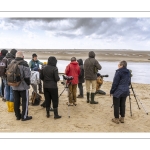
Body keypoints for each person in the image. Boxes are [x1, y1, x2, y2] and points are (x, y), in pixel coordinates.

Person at [12, 51, 32, 121]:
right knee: (25, 101)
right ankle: (24, 116)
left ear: (15, 56)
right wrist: (28, 84)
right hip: (23, 86)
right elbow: (27, 76)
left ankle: (17, 116)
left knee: (16, 101)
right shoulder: (24, 64)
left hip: (14, 85)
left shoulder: (12, 63)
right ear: (22, 57)